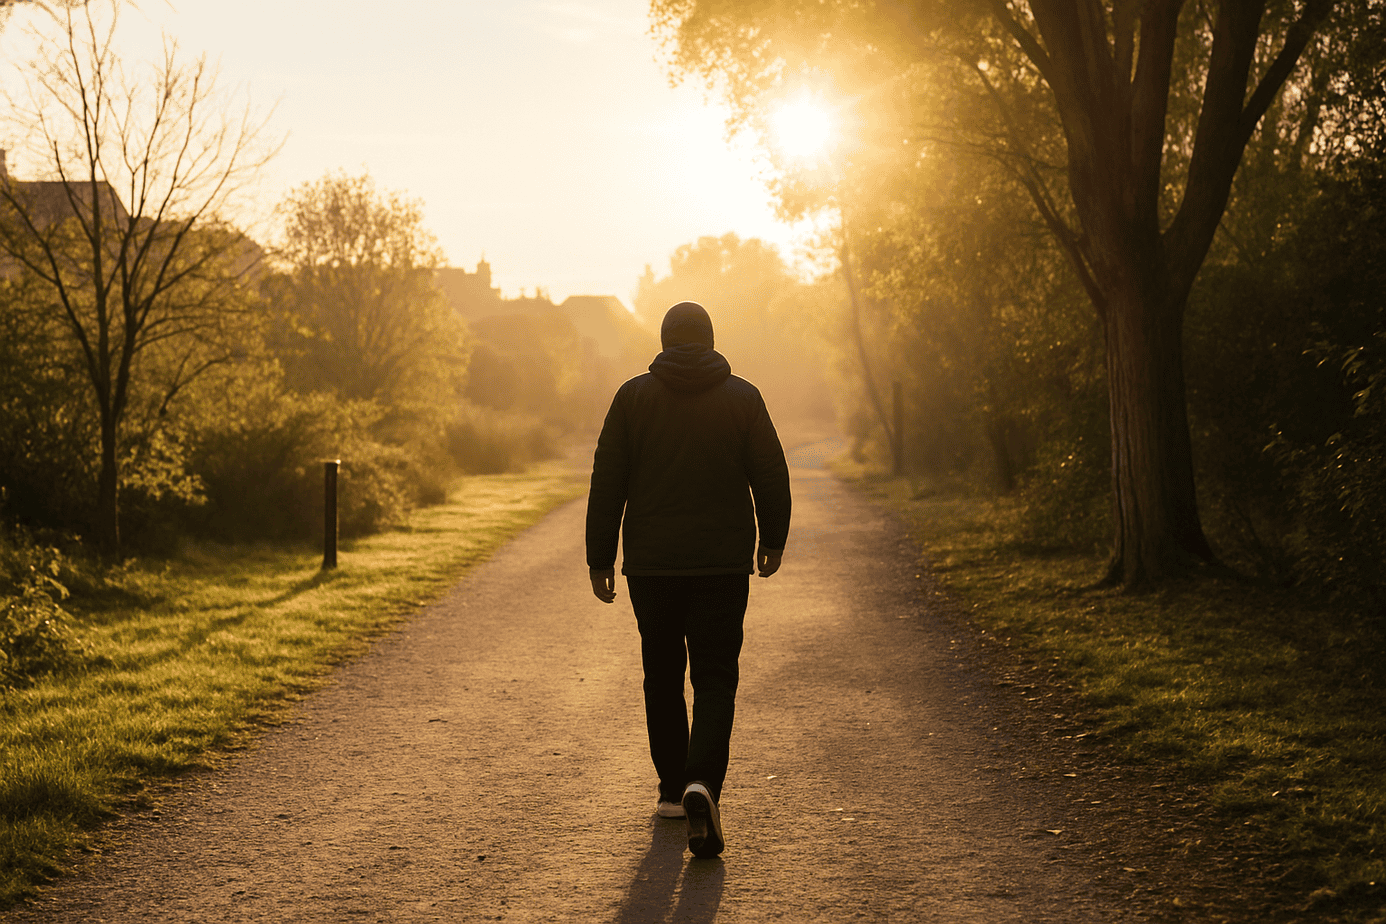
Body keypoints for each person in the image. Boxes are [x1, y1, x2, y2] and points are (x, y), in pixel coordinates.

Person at [586, 300, 792, 859]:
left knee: (661, 674)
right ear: (710, 339)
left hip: (651, 567)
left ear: (664, 340)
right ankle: (703, 782)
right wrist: (773, 539)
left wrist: (600, 558)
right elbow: (770, 472)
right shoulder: (743, 398)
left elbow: (608, 479)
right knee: (716, 677)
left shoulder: (632, 398)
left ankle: (673, 790)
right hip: (722, 565)